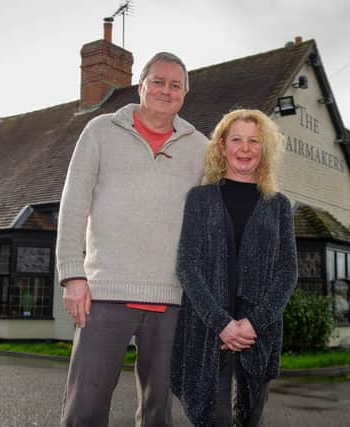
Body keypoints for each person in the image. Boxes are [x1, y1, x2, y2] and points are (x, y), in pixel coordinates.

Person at [55, 52, 208, 427]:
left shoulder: (201, 148)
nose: (165, 90)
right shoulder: (100, 131)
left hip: (172, 298)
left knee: (158, 412)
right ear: (141, 86)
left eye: (176, 85)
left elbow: (211, 226)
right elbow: (74, 204)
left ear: (185, 94)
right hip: (104, 293)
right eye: (157, 81)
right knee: (85, 407)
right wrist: (73, 275)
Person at [171, 109, 298, 426]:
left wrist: (254, 323)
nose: (245, 148)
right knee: (214, 418)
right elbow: (187, 265)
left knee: (251, 416)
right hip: (208, 327)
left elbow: (288, 272)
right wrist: (222, 324)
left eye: (254, 141)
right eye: (237, 139)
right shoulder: (200, 199)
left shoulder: (279, 205)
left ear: (264, 148)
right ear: (222, 146)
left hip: (260, 331)